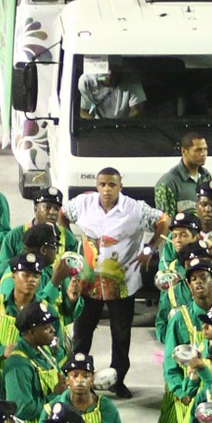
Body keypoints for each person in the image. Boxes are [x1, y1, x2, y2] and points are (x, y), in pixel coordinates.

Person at [67, 171, 163, 399]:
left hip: (122, 285)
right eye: (102, 184)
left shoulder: (135, 209)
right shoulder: (83, 204)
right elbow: (62, 215)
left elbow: (163, 221)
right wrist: (69, 243)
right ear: (96, 186)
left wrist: (150, 248)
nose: (107, 189)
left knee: (120, 335)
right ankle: (79, 378)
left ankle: (118, 381)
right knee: (82, 333)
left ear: (121, 186)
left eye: (112, 184)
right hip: (88, 284)